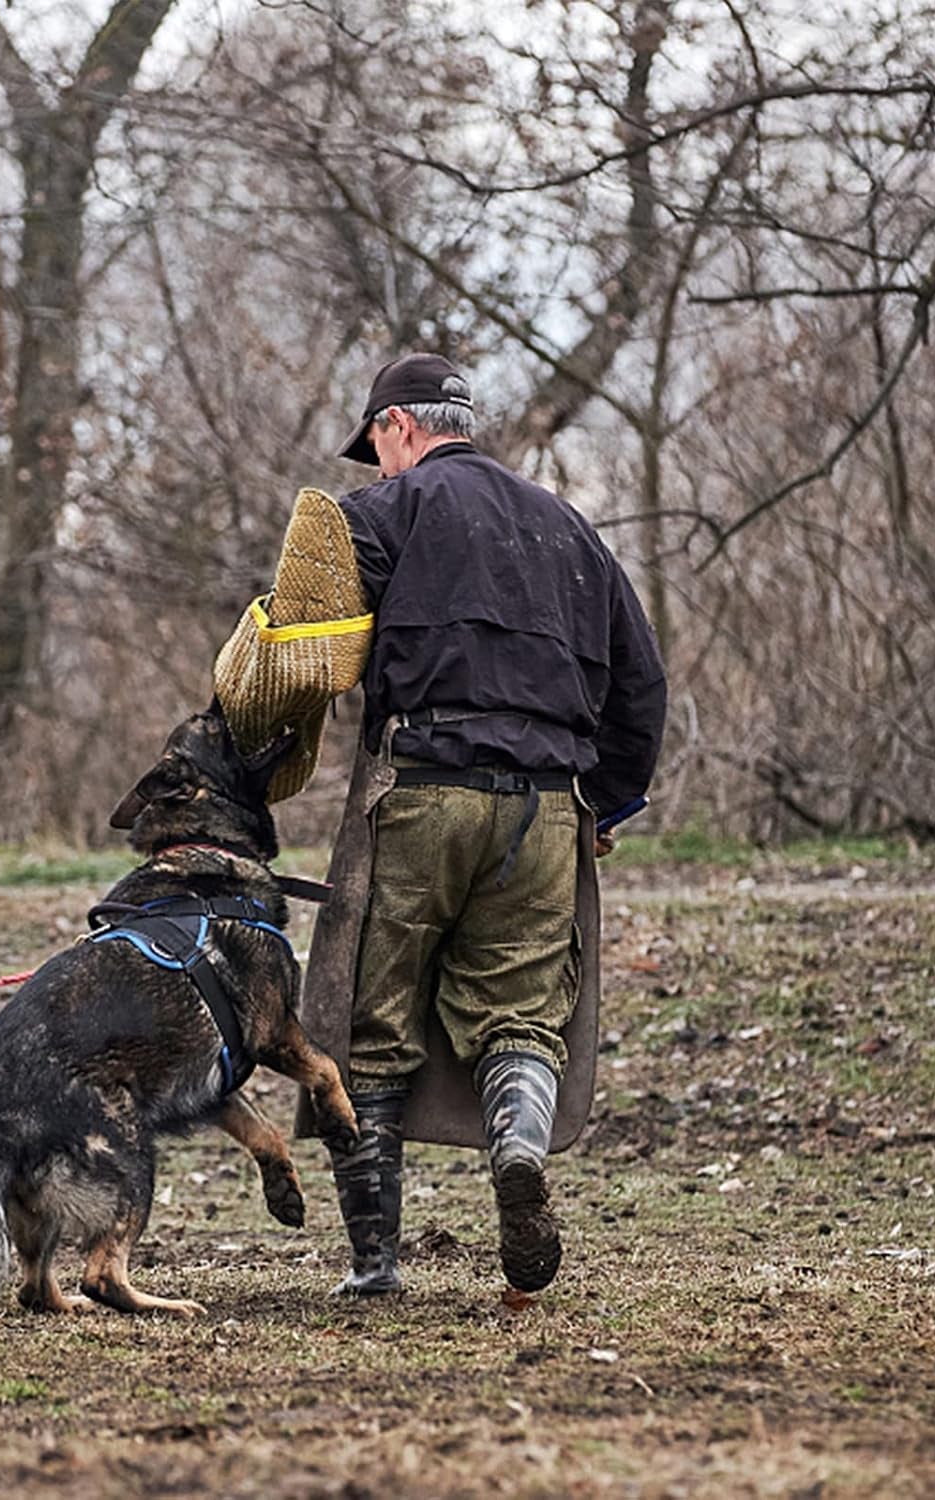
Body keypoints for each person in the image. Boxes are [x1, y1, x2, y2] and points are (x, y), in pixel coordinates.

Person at [322, 351, 667, 1297]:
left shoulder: (378, 515)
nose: (378, 463)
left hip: (424, 789)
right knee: (521, 1013)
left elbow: (305, 653)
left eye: (377, 445)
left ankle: (375, 1265)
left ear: (395, 426)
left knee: (371, 1023)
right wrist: (610, 800)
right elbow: (640, 685)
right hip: (548, 805)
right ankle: (518, 1146)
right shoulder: (570, 528)